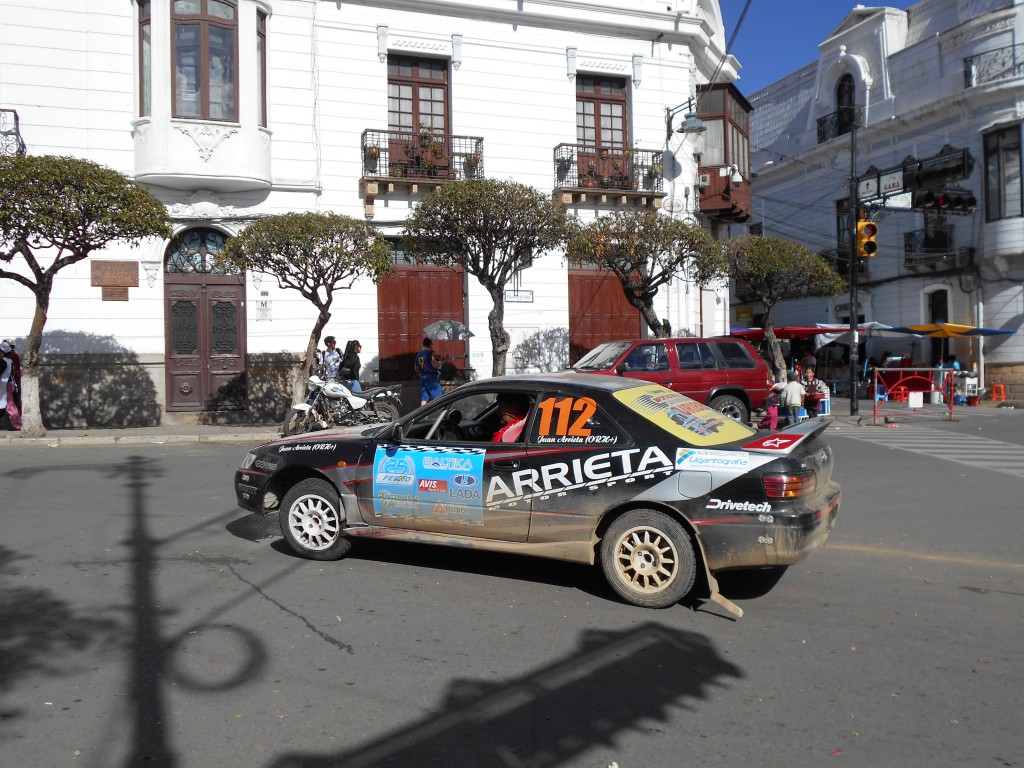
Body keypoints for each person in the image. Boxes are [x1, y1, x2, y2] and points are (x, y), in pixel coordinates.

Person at [415, 337, 443, 405]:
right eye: (432, 344)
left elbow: (416, 369)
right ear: (430, 344)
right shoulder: (430, 353)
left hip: (423, 377)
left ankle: (423, 415)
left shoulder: (418, 354)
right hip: (431, 378)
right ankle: (440, 414)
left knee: (424, 398)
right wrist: (444, 360)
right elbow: (435, 365)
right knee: (439, 398)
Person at [0, 341, 21, 431]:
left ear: (3, 352)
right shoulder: (9, 360)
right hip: (9, 384)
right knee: (4, 405)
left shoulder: (2, 362)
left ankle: (18, 425)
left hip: (4, 385)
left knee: (9, 405)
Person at [3, 339, 21, 410]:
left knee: (11, 403)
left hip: (11, 381)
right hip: (9, 381)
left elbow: (16, 370)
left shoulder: (12, 355)